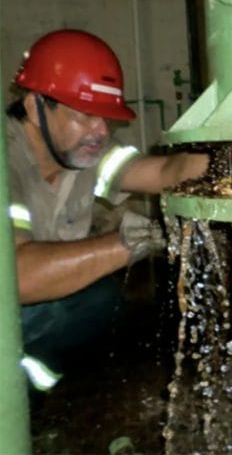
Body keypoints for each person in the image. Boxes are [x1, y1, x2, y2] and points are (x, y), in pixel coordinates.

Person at [5, 29, 209, 380]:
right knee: (79, 305)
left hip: (25, 311)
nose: (100, 131)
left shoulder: (77, 151)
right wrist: (127, 244)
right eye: (85, 114)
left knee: (99, 301)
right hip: (11, 301)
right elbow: (15, 278)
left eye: (106, 117)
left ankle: (31, 387)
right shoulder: (6, 161)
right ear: (35, 108)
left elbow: (165, 172)